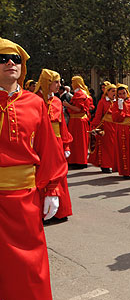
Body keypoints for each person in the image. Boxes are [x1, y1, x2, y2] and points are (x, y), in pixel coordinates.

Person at [0, 37, 67, 300]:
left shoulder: (35, 103)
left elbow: (48, 149)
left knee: (30, 266)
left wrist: (52, 187)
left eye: (14, 58)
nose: (9, 63)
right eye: (1, 59)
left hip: (25, 198)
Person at [34, 69, 74, 223]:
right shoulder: (35, 100)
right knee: (43, 175)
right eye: (56, 82)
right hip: (42, 143)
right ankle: (43, 212)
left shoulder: (57, 101)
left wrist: (66, 145)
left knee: (59, 175)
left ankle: (61, 211)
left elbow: (62, 124)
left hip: (57, 142)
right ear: (47, 82)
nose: (59, 85)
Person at [63, 76, 93, 169]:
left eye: (73, 82)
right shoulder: (83, 93)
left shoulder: (80, 94)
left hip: (78, 121)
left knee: (79, 141)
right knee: (77, 141)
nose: (71, 84)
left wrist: (67, 105)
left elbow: (79, 109)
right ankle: (76, 160)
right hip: (77, 120)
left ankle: (79, 161)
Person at [89, 82, 118, 173]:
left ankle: (113, 164)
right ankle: (105, 165)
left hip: (115, 126)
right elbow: (98, 115)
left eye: (115, 91)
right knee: (106, 147)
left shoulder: (117, 102)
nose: (115, 93)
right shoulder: (102, 102)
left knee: (114, 146)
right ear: (107, 92)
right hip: (106, 127)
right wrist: (95, 126)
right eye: (113, 91)